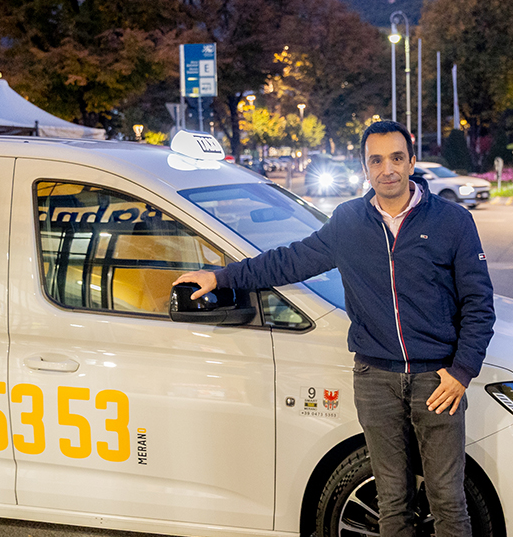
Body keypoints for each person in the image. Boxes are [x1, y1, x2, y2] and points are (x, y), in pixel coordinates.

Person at [173, 120, 494, 537]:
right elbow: (289, 260)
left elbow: (478, 303)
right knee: (392, 502)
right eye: (376, 160)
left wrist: (461, 371)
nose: (388, 169)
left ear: (412, 161)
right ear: (365, 168)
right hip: (375, 379)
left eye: (396, 158)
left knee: (448, 501)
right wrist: (221, 277)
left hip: (436, 381)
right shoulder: (349, 222)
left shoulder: (452, 222)